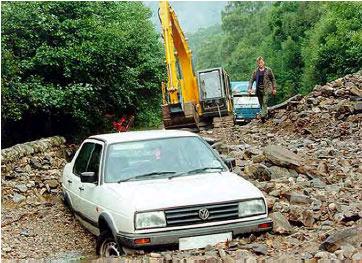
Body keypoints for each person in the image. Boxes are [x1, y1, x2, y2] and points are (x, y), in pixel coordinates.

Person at [248, 56, 277, 122]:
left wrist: (274, 88)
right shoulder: (255, 72)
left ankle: (262, 116)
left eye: (261, 62)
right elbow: (251, 80)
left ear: (263, 62)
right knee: (261, 104)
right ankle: (265, 117)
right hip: (259, 90)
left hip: (267, 89)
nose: (260, 64)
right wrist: (249, 88)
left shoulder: (268, 70)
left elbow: (273, 79)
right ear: (257, 63)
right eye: (259, 63)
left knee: (264, 102)